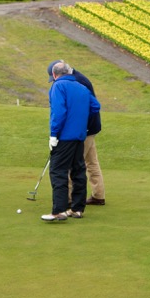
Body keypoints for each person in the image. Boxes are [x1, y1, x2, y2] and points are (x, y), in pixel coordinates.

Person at [42, 60, 100, 222]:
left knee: (58, 171)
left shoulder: (58, 86)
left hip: (65, 137)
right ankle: (77, 208)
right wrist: (80, 120)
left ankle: (59, 211)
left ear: (55, 74)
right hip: (80, 136)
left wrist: (53, 135)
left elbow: (58, 112)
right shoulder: (82, 87)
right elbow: (95, 106)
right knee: (78, 171)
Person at [57, 62, 106, 206]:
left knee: (74, 163)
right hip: (89, 128)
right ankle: (98, 195)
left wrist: (80, 126)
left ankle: (69, 199)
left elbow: (92, 106)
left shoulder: (78, 82)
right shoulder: (76, 78)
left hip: (84, 130)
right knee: (91, 162)